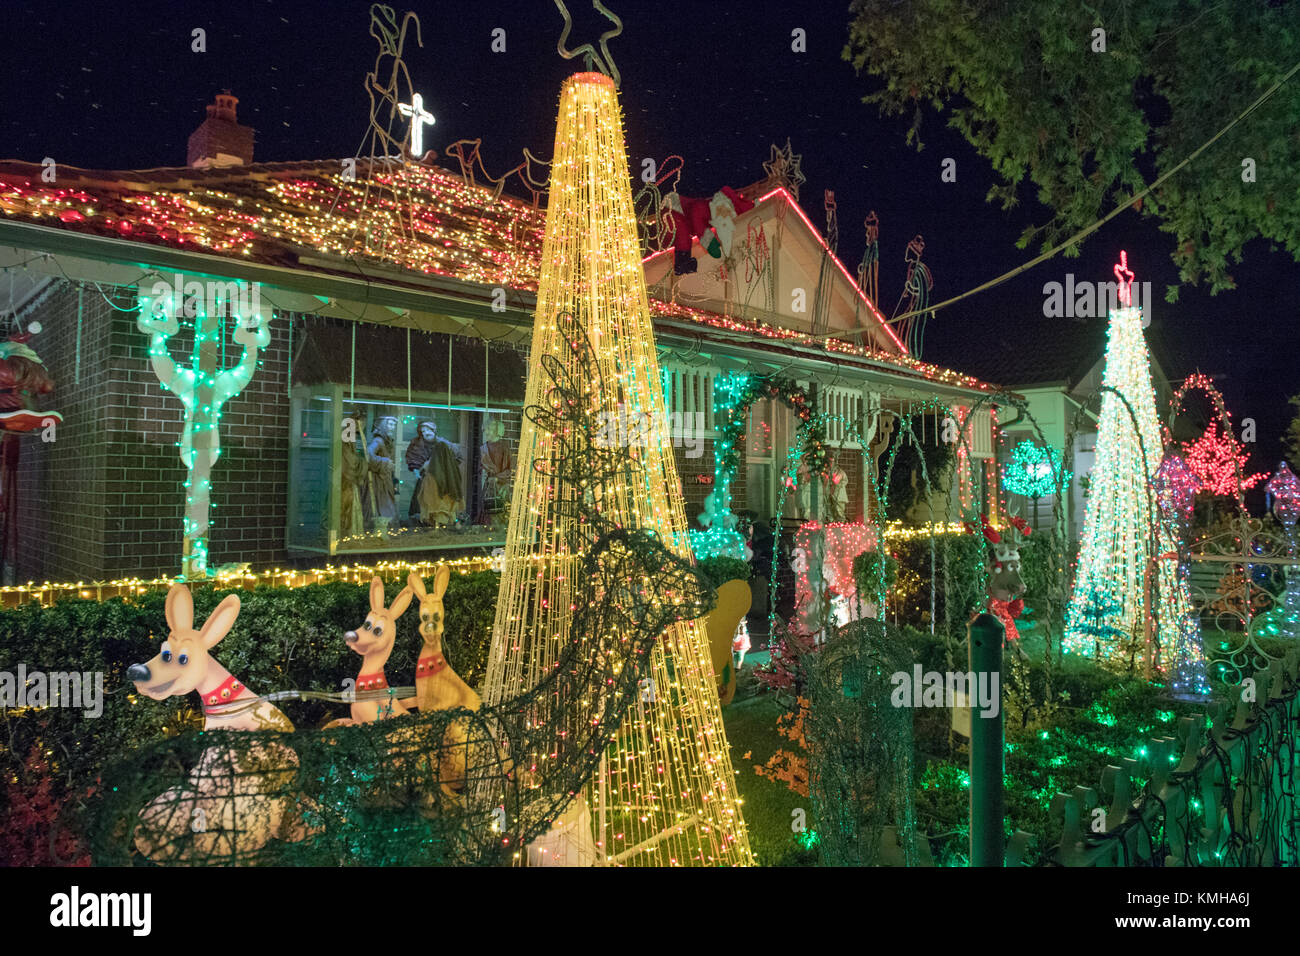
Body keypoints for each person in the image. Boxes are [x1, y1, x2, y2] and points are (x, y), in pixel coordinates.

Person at [363, 416, 399, 532]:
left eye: (394, 425)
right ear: (383, 425)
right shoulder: (378, 441)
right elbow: (368, 455)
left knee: (385, 505)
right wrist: (385, 462)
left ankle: (384, 531)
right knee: (381, 505)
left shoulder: (387, 441)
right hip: (377, 481)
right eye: (390, 424)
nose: (392, 428)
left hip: (385, 480)